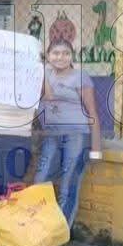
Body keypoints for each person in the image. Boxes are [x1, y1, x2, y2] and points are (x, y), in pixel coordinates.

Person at [35, 38, 102, 228]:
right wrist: (42, 70)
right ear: (48, 56)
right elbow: (45, 97)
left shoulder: (80, 77)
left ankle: (61, 232)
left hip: (77, 135)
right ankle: (40, 227)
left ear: (71, 56)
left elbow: (92, 112)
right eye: (55, 53)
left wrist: (96, 148)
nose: (61, 57)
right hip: (51, 135)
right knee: (41, 180)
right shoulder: (45, 76)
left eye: (65, 53)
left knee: (67, 185)